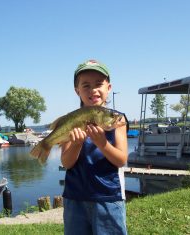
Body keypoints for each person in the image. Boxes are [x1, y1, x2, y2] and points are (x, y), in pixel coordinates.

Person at [61, 59, 128, 235]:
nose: (93, 90)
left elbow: (121, 160)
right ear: (77, 91)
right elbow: (67, 163)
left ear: (109, 88)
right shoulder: (71, 120)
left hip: (108, 196)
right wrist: (76, 144)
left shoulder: (117, 119)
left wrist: (102, 143)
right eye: (86, 85)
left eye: (99, 84)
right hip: (74, 197)